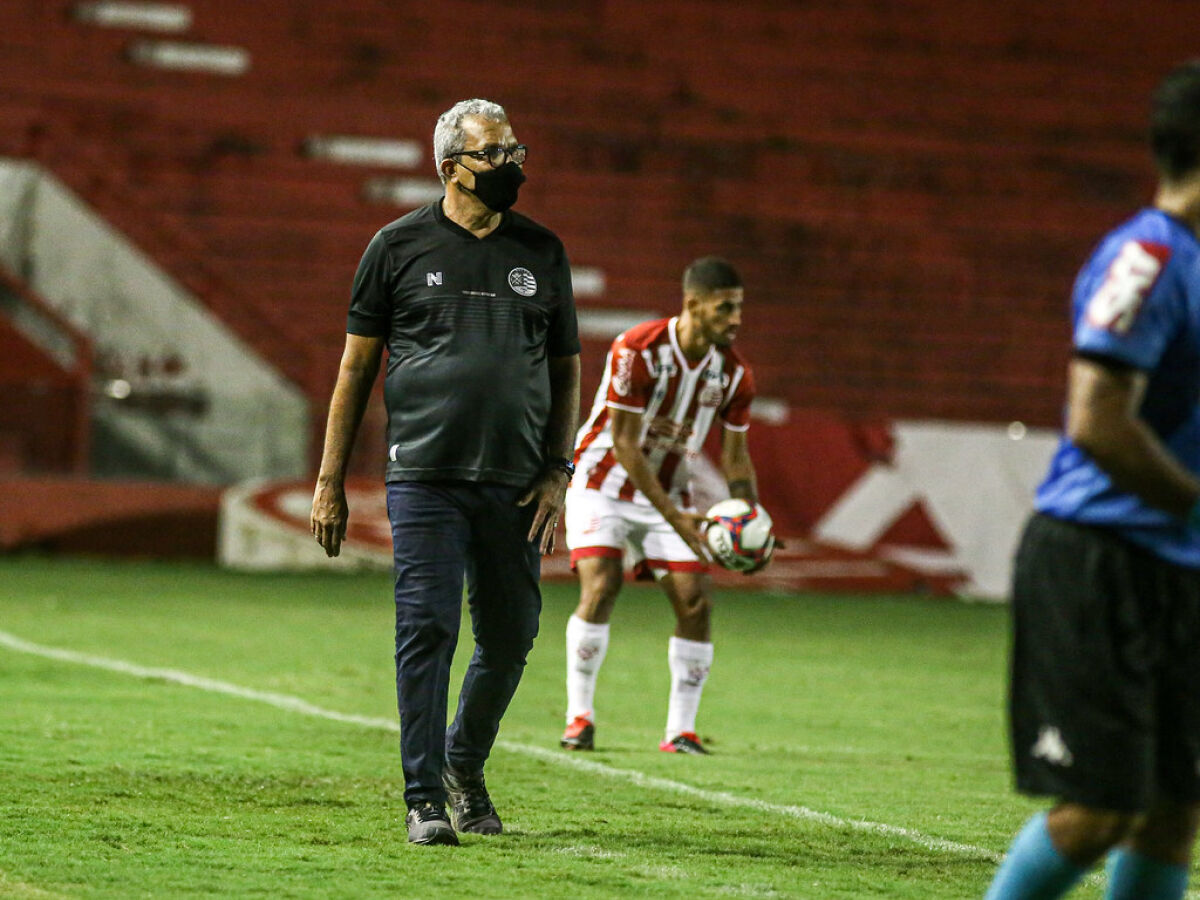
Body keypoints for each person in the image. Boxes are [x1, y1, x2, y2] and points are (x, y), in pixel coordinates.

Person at [310, 99, 580, 846]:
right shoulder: (395, 247)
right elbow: (355, 370)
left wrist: (559, 468)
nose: (511, 166)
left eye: (515, 151)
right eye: (494, 154)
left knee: (512, 634)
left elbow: (566, 373)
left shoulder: (543, 251)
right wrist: (331, 480)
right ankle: (424, 797)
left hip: (517, 481)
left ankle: (464, 763)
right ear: (448, 166)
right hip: (425, 476)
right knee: (427, 628)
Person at [984, 61, 1200, 900]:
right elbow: (1098, 420)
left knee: (1175, 807)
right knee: (1100, 811)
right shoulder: (1148, 258)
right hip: (1100, 562)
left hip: (1178, 569)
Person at [560, 256, 766, 755]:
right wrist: (677, 517)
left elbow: (736, 457)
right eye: (725, 308)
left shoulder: (734, 375)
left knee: (695, 601)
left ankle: (680, 732)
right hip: (602, 482)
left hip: (669, 495)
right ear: (693, 304)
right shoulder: (638, 349)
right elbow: (626, 445)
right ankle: (579, 718)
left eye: (739, 308)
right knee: (603, 584)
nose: (735, 319)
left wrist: (750, 518)